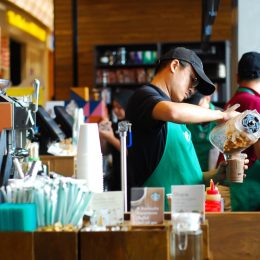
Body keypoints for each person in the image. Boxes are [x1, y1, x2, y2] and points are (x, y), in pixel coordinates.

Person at [125, 47, 246, 210]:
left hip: (183, 212)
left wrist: (215, 175)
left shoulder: (175, 115)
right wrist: (221, 115)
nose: (192, 89)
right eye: (192, 79)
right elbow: (173, 111)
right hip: (155, 213)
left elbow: (184, 174)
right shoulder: (145, 97)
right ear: (174, 65)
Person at [217, 51, 260, 211]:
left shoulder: (232, 102)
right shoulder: (255, 102)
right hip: (243, 191)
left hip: (226, 186)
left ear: (236, 77)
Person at [99, 89, 134, 191]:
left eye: (120, 107)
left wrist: (110, 138)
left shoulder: (134, 126)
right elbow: (105, 151)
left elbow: (128, 152)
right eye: (114, 107)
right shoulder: (115, 125)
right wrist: (103, 136)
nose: (116, 110)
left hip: (130, 176)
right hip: (117, 174)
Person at [185, 92, 221, 171]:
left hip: (215, 172)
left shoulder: (222, 118)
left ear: (207, 99)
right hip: (192, 171)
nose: (193, 111)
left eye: (197, 106)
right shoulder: (185, 118)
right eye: (190, 107)